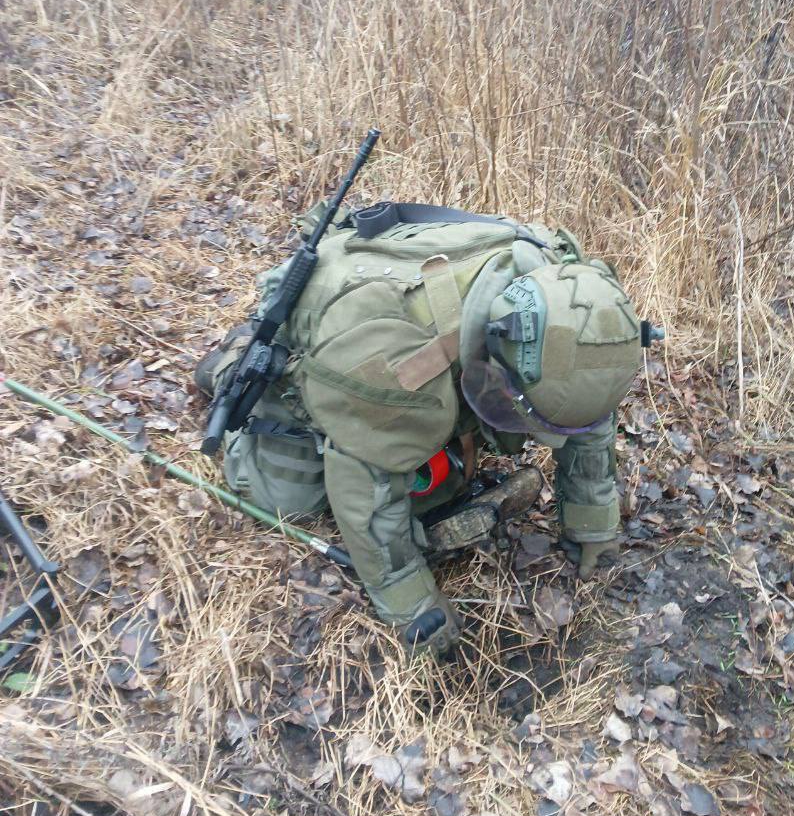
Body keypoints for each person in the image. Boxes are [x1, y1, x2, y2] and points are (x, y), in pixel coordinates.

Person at [195, 204, 650, 658]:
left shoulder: (571, 298)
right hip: (332, 334)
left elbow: (587, 407)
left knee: (433, 465)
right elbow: (366, 489)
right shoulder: (397, 366)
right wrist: (411, 602)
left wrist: (592, 520)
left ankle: (428, 420)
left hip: (417, 336)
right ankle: (231, 359)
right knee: (287, 499)